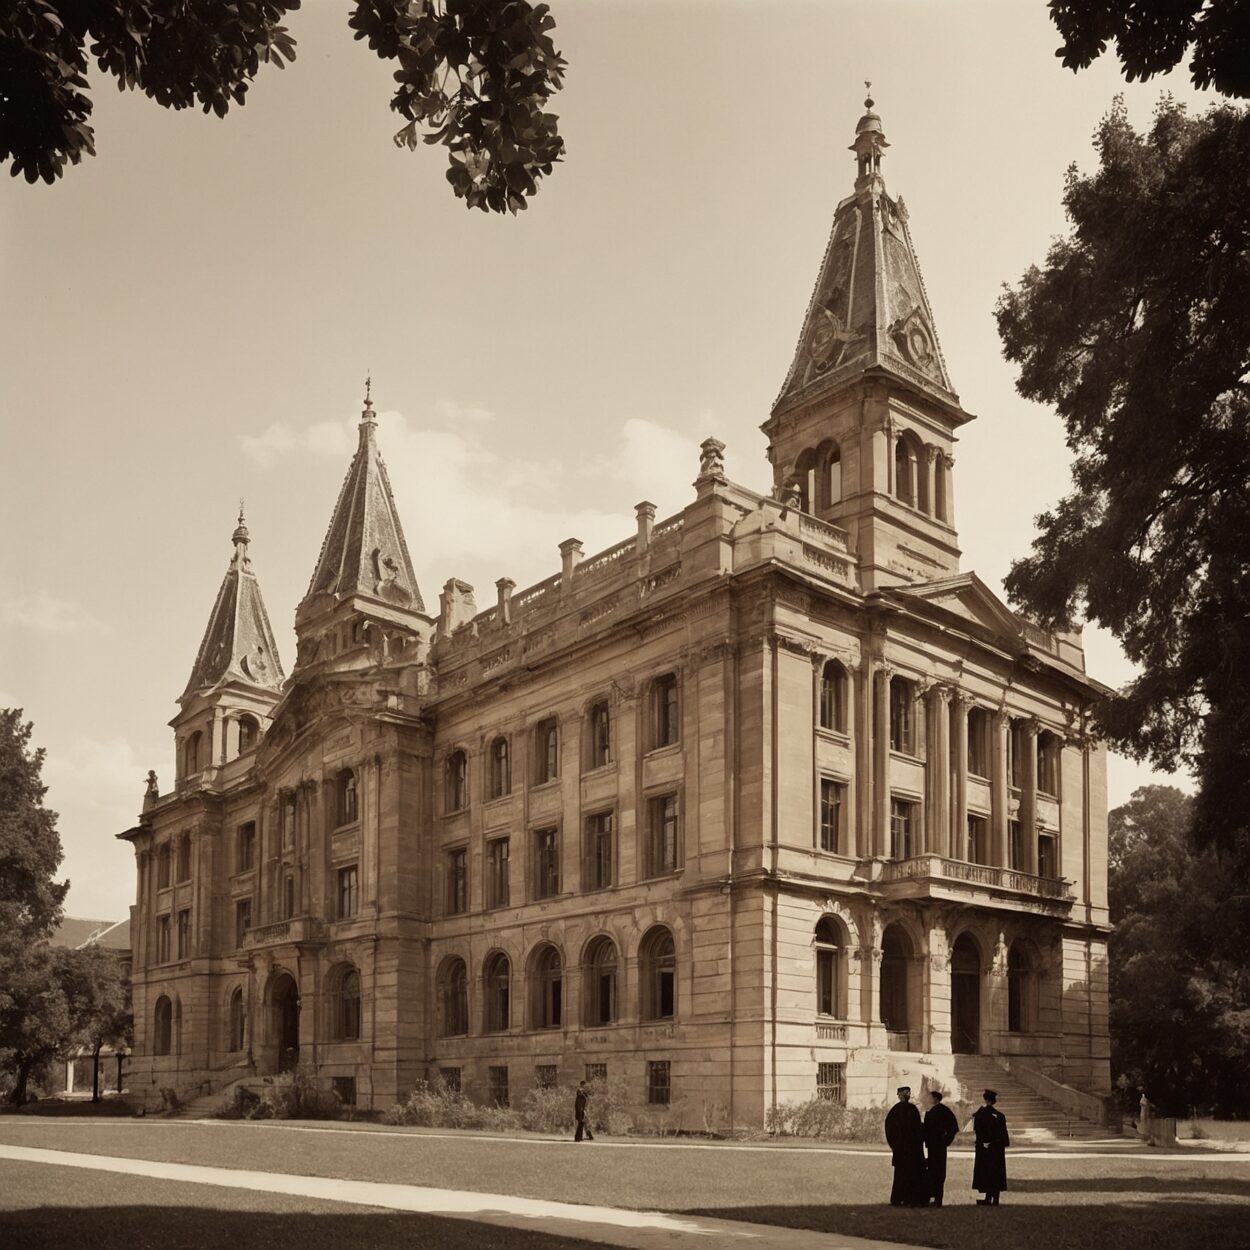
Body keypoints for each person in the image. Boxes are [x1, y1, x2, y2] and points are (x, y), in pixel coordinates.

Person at [884, 1085, 927, 1206]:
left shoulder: (910, 1109)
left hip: (909, 1149)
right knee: (902, 1174)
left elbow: (917, 1128)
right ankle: (901, 1198)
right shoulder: (898, 1110)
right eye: (905, 1093)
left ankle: (908, 1198)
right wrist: (895, 1144)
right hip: (904, 1149)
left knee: (908, 1174)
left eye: (908, 1092)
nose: (906, 1095)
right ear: (900, 1095)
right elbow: (890, 1129)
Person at [971, 1088, 1009, 1205]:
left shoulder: (981, 1114)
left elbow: (978, 1130)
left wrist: (983, 1143)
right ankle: (995, 1198)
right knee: (996, 1172)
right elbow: (1004, 1135)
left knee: (986, 1172)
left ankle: (988, 1197)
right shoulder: (1000, 1116)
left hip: (985, 1147)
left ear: (985, 1099)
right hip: (997, 1148)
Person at [922, 1089, 959, 1206]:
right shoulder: (932, 1112)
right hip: (934, 1147)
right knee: (934, 1172)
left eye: (930, 1097)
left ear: (935, 1099)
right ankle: (933, 1198)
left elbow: (953, 1128)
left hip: (938, 1147)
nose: (928, 1099)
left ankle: (936, 1198)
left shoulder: (942, 1111)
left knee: (937, 1172)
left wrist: (945, 1141)